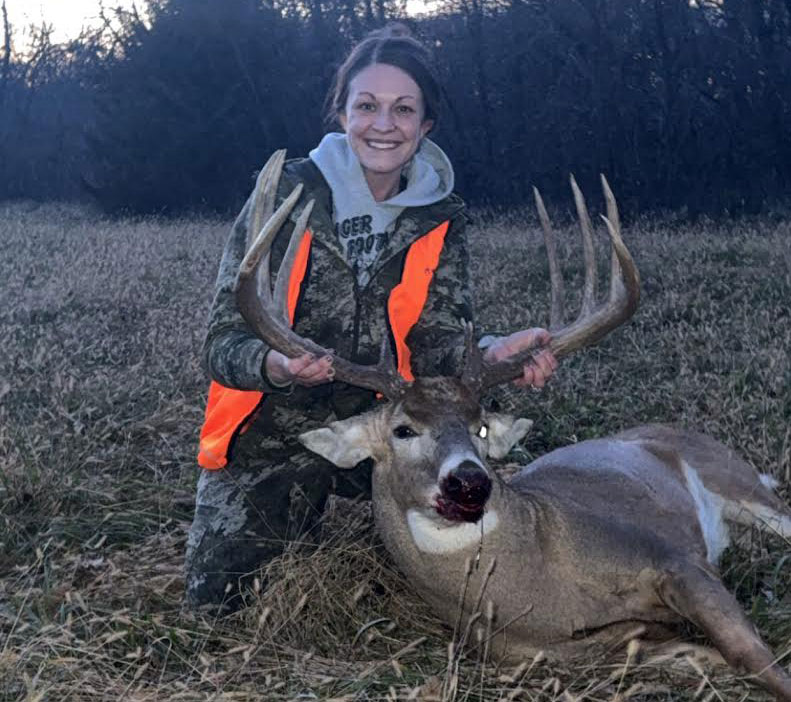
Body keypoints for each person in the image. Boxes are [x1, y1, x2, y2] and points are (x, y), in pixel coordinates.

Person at [184, 24, 558, 611]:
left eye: (403, 109)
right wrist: (277, 365)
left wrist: (490, 354)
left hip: (394, 431)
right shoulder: (283, 195)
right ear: (341, 112)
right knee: (222, 610)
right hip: (273, 436)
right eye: (368, 106)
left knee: (457, 584)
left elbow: (438, 343)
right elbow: (222, 342)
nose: (384, 124)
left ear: (424, 124)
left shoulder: (439, 215)